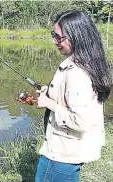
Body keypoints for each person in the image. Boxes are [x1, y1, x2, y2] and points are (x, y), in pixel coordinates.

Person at [34, 10, 112, 182]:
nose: (55, 42)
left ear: (77, 37)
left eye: (59, 38)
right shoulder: (88, 62)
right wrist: (51, 91)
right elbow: (76, 99)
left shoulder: (77, 73)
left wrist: (49, 103)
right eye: (53, 35)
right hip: (72, 152)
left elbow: (81, 121)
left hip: (61, 156)